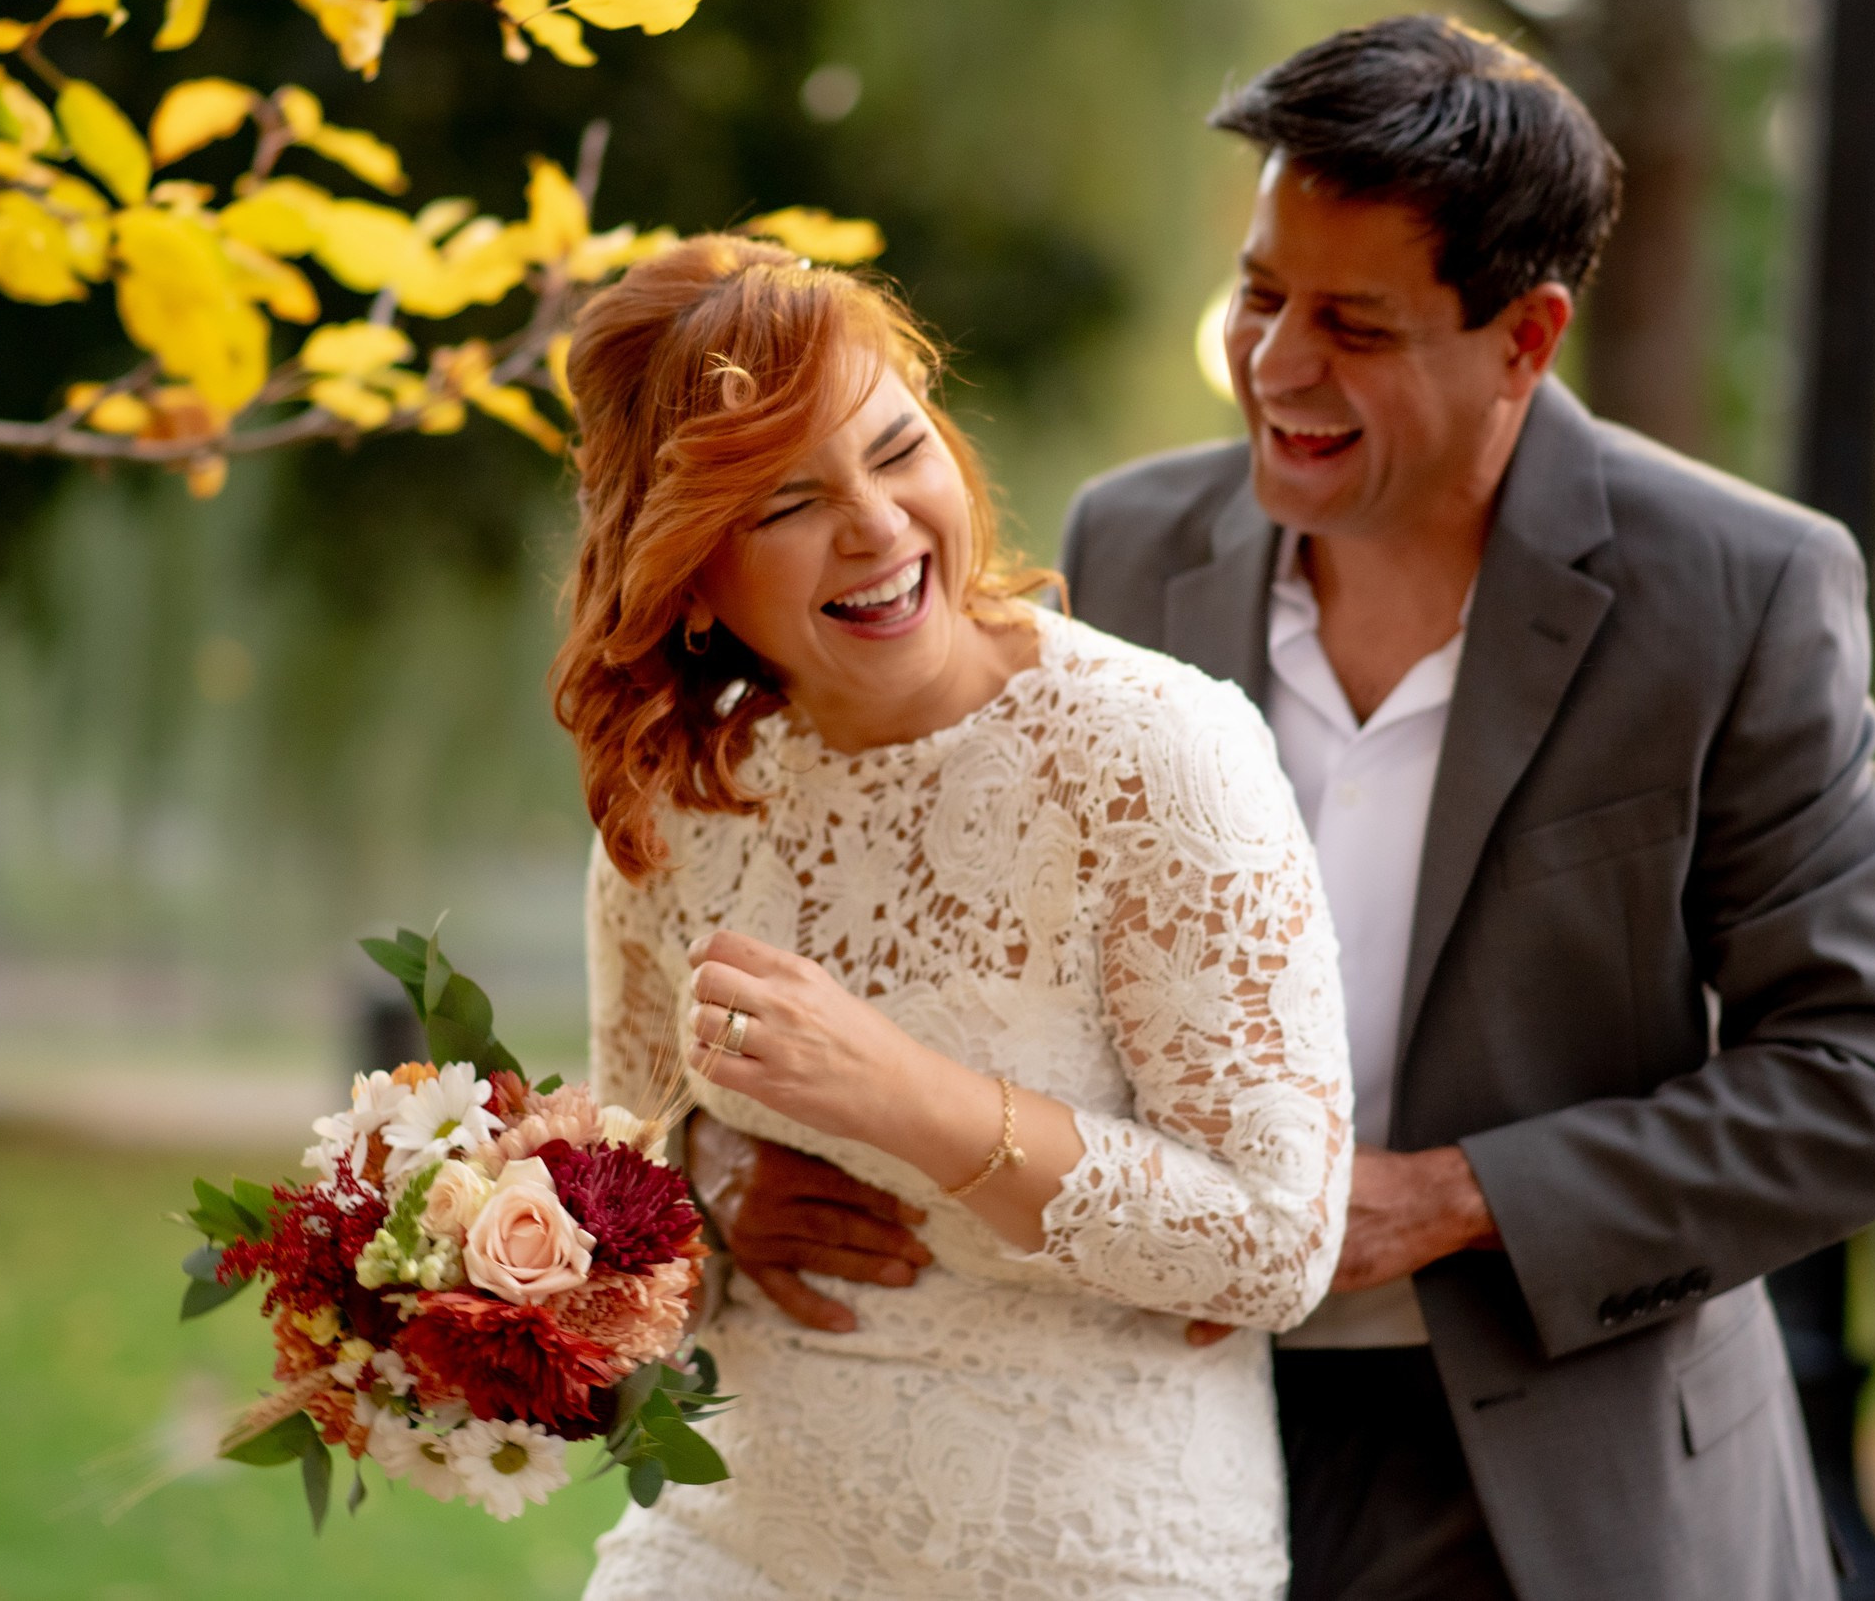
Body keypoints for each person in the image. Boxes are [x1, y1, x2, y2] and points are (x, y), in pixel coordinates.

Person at [703, 17, 1875, 1601]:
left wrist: (1442, 1204)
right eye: (1259, 294)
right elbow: (953, 919)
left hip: (1565, 1473)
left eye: (1355, 326)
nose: (1276, 363)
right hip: (1153, 1435)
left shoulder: (1739, 590)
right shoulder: (1134, 541)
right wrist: (753, 1183)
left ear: (1527, 338)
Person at [553, 234, 1357, 1599]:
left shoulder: (1158, 752)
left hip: (1093, 1548)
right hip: (736, 1539)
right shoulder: (678, 803)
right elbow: (650, 1191)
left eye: (896, 446)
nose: (876, 524)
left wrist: (902, 1095)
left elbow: (1280, 1244)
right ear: (692, 575)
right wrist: (720, 1201)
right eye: (788, 501)